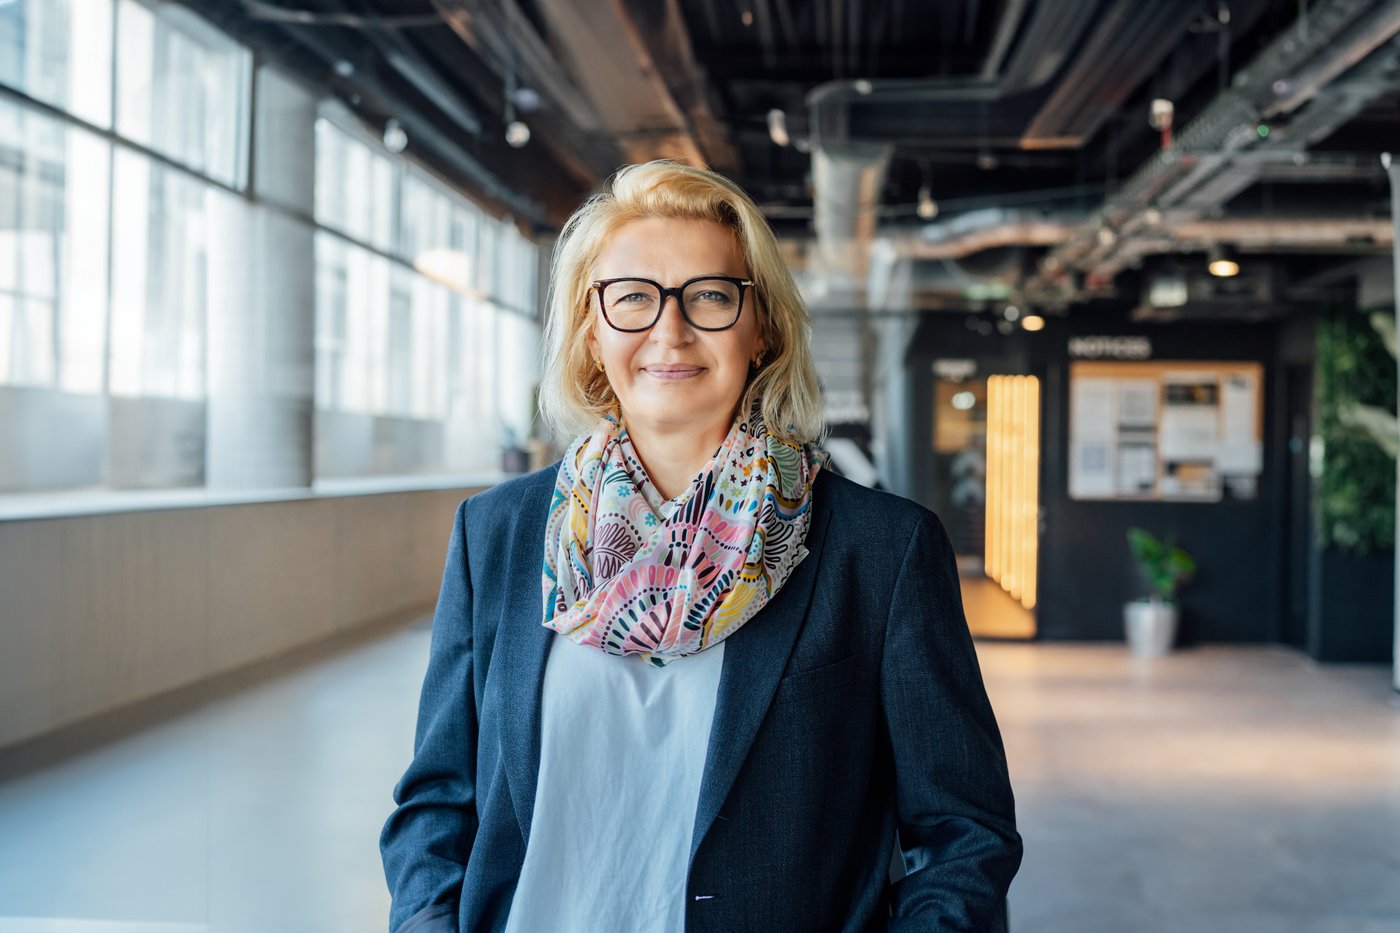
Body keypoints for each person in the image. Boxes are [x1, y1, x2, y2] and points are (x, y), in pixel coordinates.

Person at [380, 160, 1022, 932]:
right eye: (632, 297)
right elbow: (437, 801)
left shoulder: (882, 550)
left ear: (762, 329)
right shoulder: (499, 533)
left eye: (711, 295)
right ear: (591, 332)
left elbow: (963, 833)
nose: (669, 330)